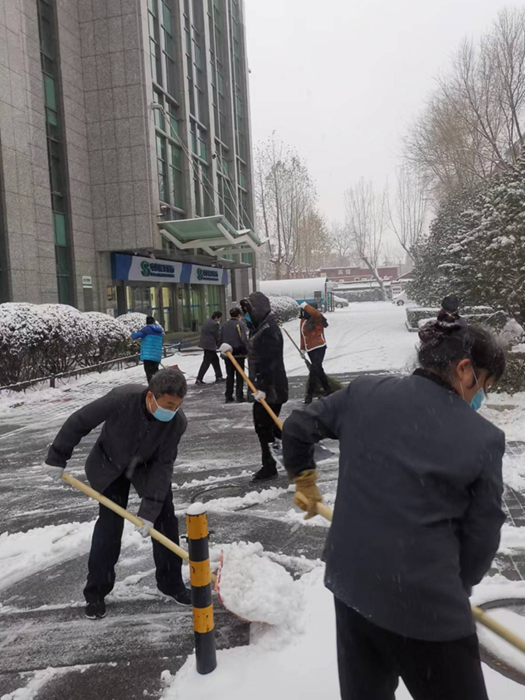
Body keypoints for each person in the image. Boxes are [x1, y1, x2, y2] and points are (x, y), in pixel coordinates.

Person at [282, 320, 506, 700]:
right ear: (464, 369)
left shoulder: (366, 393)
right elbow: (482, 536)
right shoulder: (483, 438)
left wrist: (304, 478)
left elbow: (298, 425)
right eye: (484, 383)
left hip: (353, 587)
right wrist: (457, 587)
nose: (481, 395)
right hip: (428, 614)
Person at [42, 368, 191, 620]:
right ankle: (96, 591)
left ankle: (171, 584)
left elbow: (163, 466)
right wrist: (57, 456)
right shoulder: (122, 398)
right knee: (110, 524)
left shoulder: (176, 422)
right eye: (167, 404)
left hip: (146, 467)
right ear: (151, 396)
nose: (172, 410)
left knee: (165, 519)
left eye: (177, 406)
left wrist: (149, 511)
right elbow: (80, 421)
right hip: (108, 464)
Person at [240, 292, 288, 481]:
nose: (246, 316)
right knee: (271, 427)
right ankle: (298, 448)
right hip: (265, 388)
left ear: (258, 309)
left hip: (271, 389)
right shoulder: (260, 327)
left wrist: (263, 389)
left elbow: (270, 363)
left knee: (264, 428)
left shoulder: (269, 330)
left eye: (248, 311)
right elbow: (254, 350)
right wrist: (234, 351)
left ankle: (270, 466)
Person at [299, 301, 331, 404]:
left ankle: (309, 395)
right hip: (310, 350)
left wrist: (305, 305)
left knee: (314, 370)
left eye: (305, 310)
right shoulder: (303, 320)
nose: (304, 312)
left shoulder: (317, 319)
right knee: (318, 369)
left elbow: (315, 313)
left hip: (319, 347)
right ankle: (328, 390)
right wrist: (302, 348)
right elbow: (302, 336)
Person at [219, 307, 248, 403]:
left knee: (229, 375)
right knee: (239, 375)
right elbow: (243, 339)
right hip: (238, 353)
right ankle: (239, 396)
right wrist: (246, 351)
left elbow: (220, 339)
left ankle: (228, 396)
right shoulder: (240, 325)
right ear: (239, 315)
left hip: (227, 353)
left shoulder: (224, 325)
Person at [131, 316, 164, 383]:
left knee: (149, 374)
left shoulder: (146, 330)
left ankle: (152, 389)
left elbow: (134, 336)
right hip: (156, 356)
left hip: (148, 355)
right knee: (155, 372)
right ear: (154, 322)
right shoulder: (159, 330)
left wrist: (131, 334)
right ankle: (158, 388)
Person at [196, 311, 224, 386]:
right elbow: (216, 335)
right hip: (210, 345)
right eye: (219, 318)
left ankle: (219, 376)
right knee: (206, 362)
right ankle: (199, 379)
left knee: (215, 360)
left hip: (205, 344)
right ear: (216, 317)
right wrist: (219, 344)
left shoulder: (207, 321)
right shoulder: (215, 324)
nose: (219, 319)